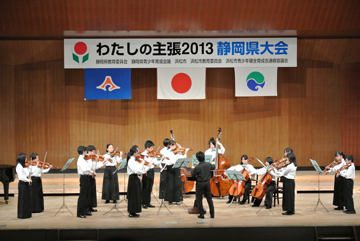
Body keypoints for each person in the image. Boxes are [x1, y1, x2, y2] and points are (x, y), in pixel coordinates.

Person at [163, 140, 190, 205]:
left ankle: (178, 199)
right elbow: (165, 161)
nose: (175, 147)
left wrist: (186, 152)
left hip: (177, 168)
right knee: (170, 184)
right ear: (170, 145)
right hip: (170, 168)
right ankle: (170, 200)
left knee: (177, 184)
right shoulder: (167, 152)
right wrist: (170, 162)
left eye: (175, 145)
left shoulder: (178, 152)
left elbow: (183, 158)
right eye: (174, 145)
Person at [191, 151, 215, 219]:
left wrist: (192, 169)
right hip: (207, 183)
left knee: (199, 199)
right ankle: (212, 214)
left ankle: (202, 214)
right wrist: (213, 164)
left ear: (197, 159)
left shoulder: (198, 167)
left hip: (200, 183)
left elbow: (193, 175)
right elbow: (213, 167)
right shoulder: (208, 164)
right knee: (209, 198)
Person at [141, 140, 162, 209]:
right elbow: (142, 164)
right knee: (145, 187)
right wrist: (147, 165)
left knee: (150, 187)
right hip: (146, 172)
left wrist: (159, 160)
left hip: (151, 171)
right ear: (147, 147)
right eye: (151, 148)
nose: (152, 149)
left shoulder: (152, 154)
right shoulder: (143, 155)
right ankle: (143, 202)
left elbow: (156, 162)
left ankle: (148, 202)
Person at [87, 145, 107, 212]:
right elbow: (89, 168)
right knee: (88, 193)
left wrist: (103, 162)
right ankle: (87, 208)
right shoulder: (87, 159)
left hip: (92, 176)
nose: (94, 154)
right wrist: (92, 172)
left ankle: (90, 207)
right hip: (88, 176)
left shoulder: (92, 159)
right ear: (89, 151)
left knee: (92, 192)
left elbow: (96, 166)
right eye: (93, 152)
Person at [127, 145, 144, 218]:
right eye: (137, 152)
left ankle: (135, 211)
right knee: (133, 195)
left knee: (136, 195)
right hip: (132, 179)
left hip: (135, 178)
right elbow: (135, 170)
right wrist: (142, 171)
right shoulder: (131, 160)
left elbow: (138, 167)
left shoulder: (135, 159)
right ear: (134, 153)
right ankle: (131, 212)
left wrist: (143, 162)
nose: (138, 153)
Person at [76, 145, 93, 218]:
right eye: (86, 151)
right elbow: (84, 169)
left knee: (87, 195)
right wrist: (90, 170)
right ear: (83, 152)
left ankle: (85, 210)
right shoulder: (80, 159)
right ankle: (80, 212)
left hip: (87, 177)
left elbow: (89, 167)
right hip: (84, 178)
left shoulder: (85, 158)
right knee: (83, 196)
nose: (87, 153)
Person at [16, 153, 32, 219]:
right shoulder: (19, 166)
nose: (26, 159)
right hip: (22, 183)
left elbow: (27, 173)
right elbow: (21, 177)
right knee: (22, 199)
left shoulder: (24, 165)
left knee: (26, 198)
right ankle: (22, 214)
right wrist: (28, 180)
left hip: (25, 183)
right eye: (25, 158)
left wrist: (29, 167)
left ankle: (27, 213)